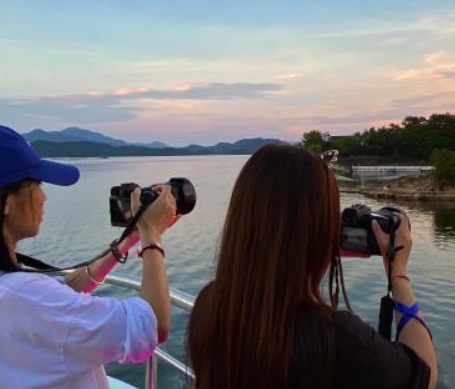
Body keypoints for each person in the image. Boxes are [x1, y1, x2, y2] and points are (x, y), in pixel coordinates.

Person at [0, 123, 177, 389]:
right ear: (5, 203)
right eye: (36, 184)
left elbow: (65, 289)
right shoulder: (22, 297)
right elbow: (152, 325)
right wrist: (152, 236)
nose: (44, 196)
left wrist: (126, 242)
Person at [187, 144, 438, 389]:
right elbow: (424, 373)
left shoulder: (210, 304)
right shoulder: (337, 338)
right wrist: (398, 274)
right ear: (320, 228)